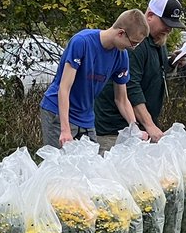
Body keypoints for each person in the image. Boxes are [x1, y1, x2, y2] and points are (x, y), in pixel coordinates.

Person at [40, 10, 148, 148]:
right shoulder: (82, 42)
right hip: (58, 111)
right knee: (60, 160)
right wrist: (65, 130)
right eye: (133, 43)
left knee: (91, 160)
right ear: (121, 33)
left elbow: (121, 99)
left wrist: (134, 129)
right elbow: (64, 88)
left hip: (85, 117)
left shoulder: (121, 56)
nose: (133, 48)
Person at [93, 0, 184, 150]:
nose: (169, 29)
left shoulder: (158, 41)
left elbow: (154, 73)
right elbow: (131, 86)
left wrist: (171, 63)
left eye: (172, 24)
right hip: (116, 131)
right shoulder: (135, 43)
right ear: (150, 16)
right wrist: (149, 124)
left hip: (139, 130)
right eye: (165, 23)